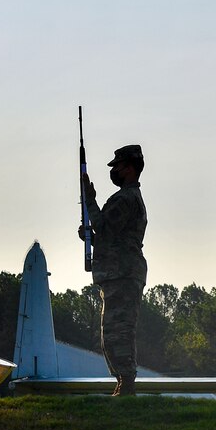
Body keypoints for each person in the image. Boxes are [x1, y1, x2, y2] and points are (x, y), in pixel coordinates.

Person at [78, 144, 147, 397]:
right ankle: (123, 381)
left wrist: (90, 200)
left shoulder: (125, 199)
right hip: (119, 272)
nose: (114, 171)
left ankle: (126, 383)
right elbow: (113, 237)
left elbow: (104, 227)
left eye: (117, 166)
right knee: (112, 331)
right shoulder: (128, 198)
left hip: (123, 274)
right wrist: (92, 240)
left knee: (119, 331)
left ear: (129, 169)